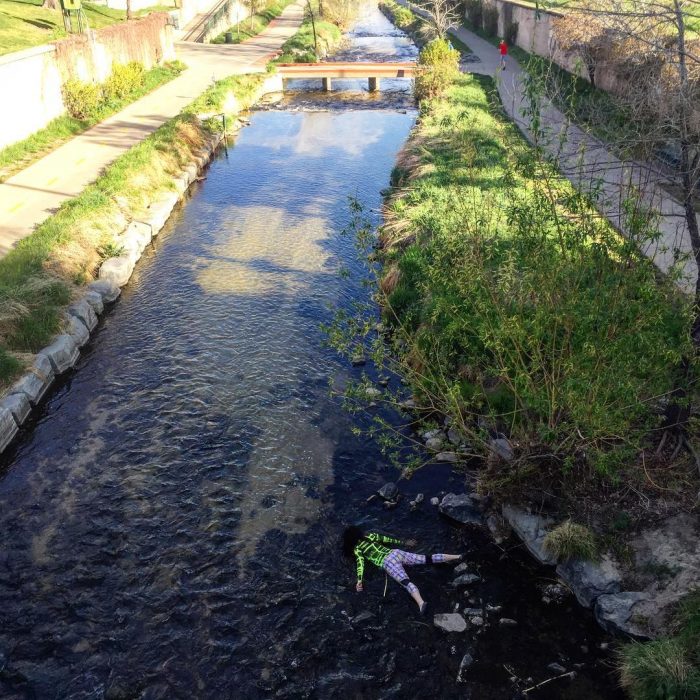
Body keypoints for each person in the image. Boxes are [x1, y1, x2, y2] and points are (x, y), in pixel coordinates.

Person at [342, 526, 463, 614]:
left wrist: (359, 580)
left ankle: (421, 603)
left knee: (405, 582)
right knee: (426, 558)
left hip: (387, 562)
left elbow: (360, 564)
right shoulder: (370, 536)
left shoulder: (357, 550)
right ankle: (457, 556)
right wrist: (403, 542)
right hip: (396, 552)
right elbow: (388, 539)